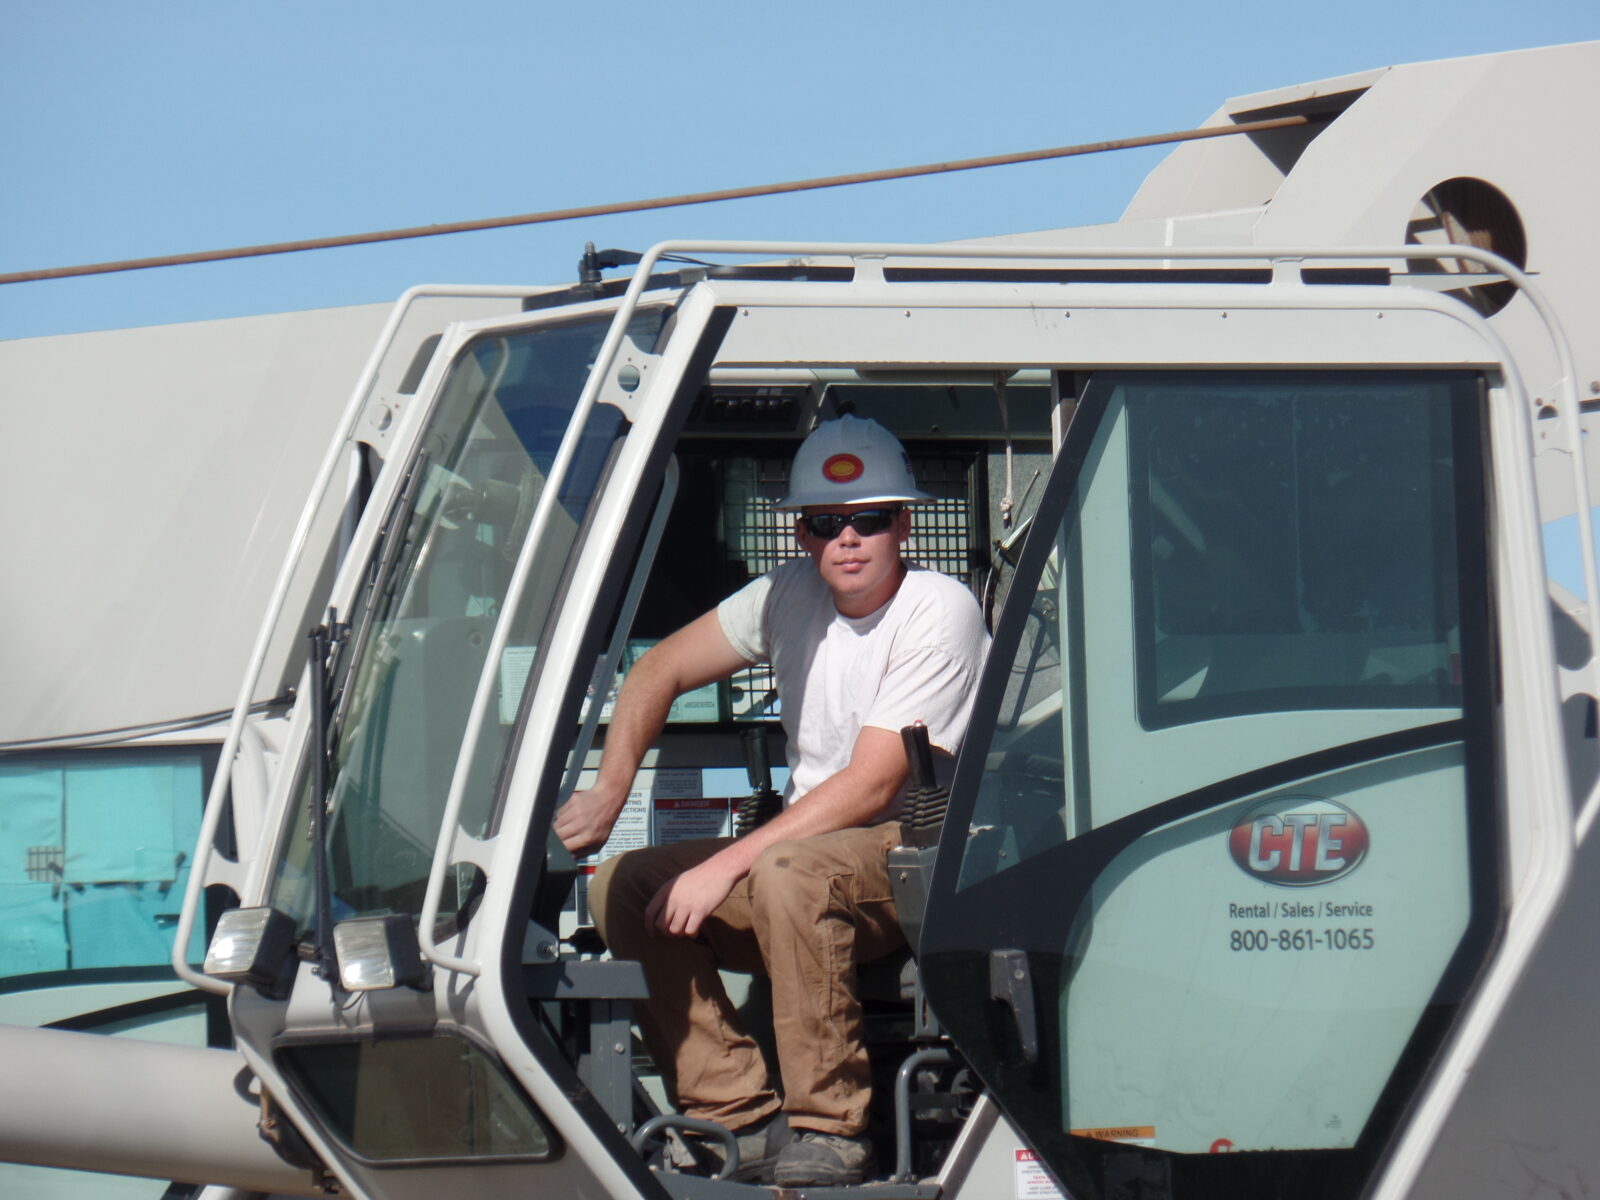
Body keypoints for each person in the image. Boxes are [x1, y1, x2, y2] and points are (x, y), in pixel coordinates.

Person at [554, 415, 989, 1187]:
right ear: (801, 536)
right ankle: (739, 1119)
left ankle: (833, 1127)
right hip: (808, 850)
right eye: (826, 523)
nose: (847, 540)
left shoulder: (938, 606)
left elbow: (872, 783)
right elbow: (656, 670)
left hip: (915, 854)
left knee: (788, 870)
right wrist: (612, 785)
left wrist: (723, 866)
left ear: (905, 525)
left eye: (869, 520)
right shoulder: (787, 595)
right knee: (621, 884)